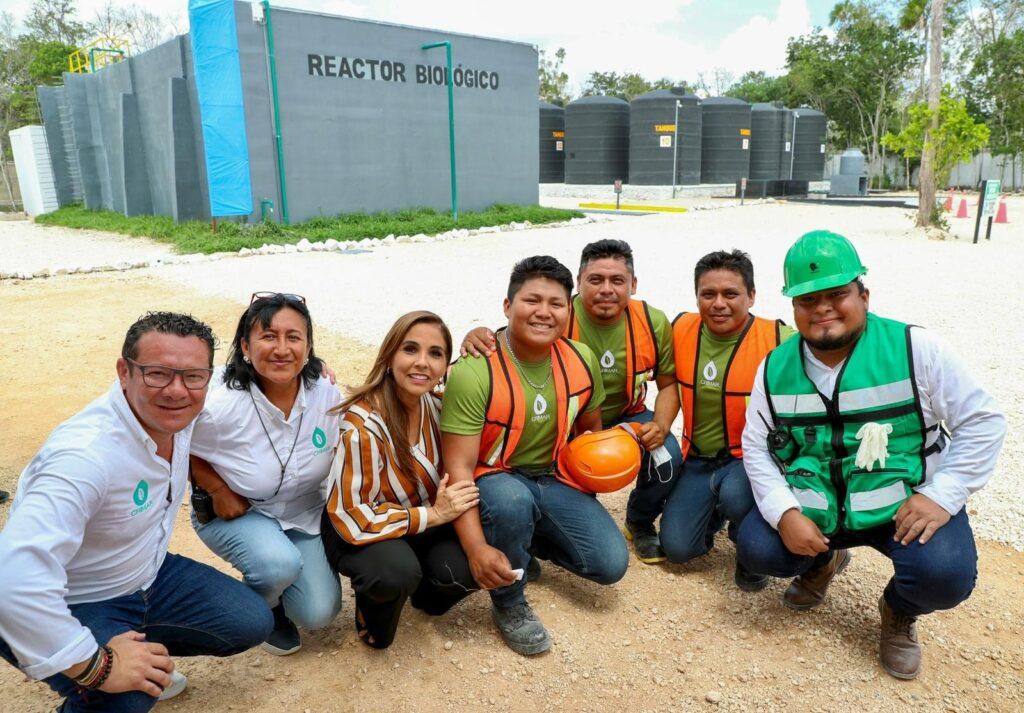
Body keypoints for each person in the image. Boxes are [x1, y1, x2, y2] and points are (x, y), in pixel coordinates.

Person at [738, 231, 1006, 680]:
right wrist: (784, 512)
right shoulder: (775, 367)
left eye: (837, 294)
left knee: (944, 574)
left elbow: (983, 422)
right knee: (758, 548)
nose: (822, 307)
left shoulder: (914, 348)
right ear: (794, 309)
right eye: (807, 299)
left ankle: (899, 610)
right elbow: (756, 443)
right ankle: (824, 560)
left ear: (864, 294)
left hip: (902, 507)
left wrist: (942, 495)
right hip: (819, 507)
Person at [0, 312, 273, 713]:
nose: (177, 390)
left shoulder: (183, 408)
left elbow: (257, 386)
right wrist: (96, 667)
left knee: (251, 620)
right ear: (123, 372)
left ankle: (139, 651)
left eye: (193, 376)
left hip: (146, 574)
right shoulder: (83, 457)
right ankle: (101, 667)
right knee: (125, 699)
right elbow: (12, 581)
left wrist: (313, 379)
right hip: (74, 597)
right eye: (157, 374)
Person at [443, 255, 628, 656]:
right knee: (511, 501)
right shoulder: (475, 370)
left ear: (569, 309)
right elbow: (457, 469)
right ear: (508, 306)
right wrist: (476, 549)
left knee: (609, 565)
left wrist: (607, 463)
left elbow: (590, 433)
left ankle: (523, 544)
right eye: (531, 300)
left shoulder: (581, 359)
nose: (544, 312)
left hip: (552, 476)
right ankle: (509, 601)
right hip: (495, 479)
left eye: (556, 303)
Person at [462, 240, 681, 564]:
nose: (606, 289)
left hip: (627, 417)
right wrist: (477, 334)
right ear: (578, 283)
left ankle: (639, 519)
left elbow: (668, 384)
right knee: (564, 469)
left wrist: (660, 425)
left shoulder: (653, 321)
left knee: (668, 454)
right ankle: (544, 526)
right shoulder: (559, 314)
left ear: (633, 285)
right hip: (568, 423)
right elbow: (515, 336)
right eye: (595, 280)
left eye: (617, 281)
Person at [188, 293, 343, 656]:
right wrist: (214, 486)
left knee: (321, 612)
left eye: (294, 337)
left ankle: (272, 580)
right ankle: (262, 609)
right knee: (278, 565)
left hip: (301, 513)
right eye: (268, 336)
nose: (282, 348)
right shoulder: (220, 404)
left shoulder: (324, 392)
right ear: (245, 345)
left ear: (308, 347)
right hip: (238, 511)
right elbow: (175, 442)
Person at [320, 311, 480, 649]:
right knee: (394, 572)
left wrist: (483, 335)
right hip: (358, 526)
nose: (422, 362)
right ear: (389, 356)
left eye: (435, 353)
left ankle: (423, 593)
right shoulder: (362, 426)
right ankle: (372, 608)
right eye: (410, 349)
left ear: (444, 365)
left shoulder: (438, 407)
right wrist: (434, 516)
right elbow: (353, 517)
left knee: (466, 566)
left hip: (416, 519)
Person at [661, 250, 793, 591]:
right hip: (698, 459)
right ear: (697, 297)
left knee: (738, 495)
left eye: (730, 294)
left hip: (750, 460)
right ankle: (715, 512)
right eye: (708, 294)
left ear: (751, 295)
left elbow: (834, 349)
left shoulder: (781, 339)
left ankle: (750, 547)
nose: (718, 303)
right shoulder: (680, 327)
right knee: (677, 549)